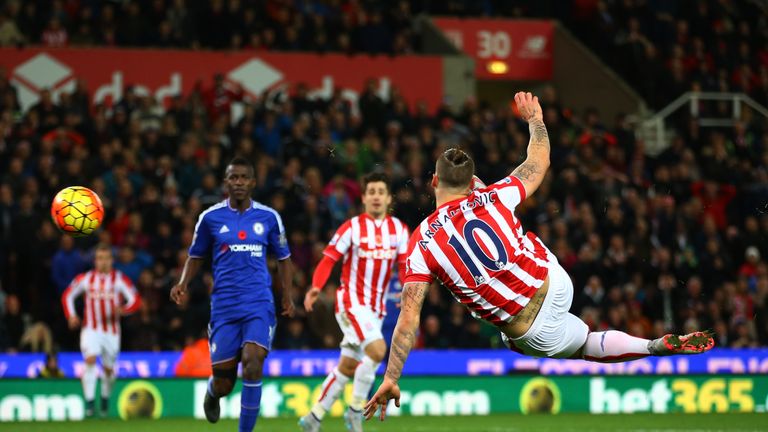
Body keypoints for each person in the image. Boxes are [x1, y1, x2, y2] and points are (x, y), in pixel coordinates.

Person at [364, 92, 715, 421]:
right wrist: (536, 120)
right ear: (472, 182)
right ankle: (653, 343)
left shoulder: (422, 242)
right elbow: (539, 159)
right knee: (519, 235)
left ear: (432, 182)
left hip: (531, 328)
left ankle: (651, 347)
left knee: (578, 346)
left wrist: (392, 376)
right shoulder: (495, 196)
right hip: (556, 282)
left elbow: (408, 321)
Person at [170, 156, 295, 432]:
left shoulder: (269, 217)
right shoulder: (210, 218)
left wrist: (287, 294)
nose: (238, 182)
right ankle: (213, 391)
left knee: (252, 363)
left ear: (252, 182)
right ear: (226, 182)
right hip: (224, 307)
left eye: (243, 177)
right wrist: (183, 283)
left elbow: (284, 258)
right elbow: (195, 255)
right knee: (225, 383)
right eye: (233, 177)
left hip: (258, 304)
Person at [299, 173, 409, 432]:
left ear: (389, 197)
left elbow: (405, 267)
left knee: (347, 366)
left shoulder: (399, 230)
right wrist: (315, 287)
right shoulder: (352, 227)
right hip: (351, 303)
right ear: (363, 198)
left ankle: (313, 417)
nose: (376, 196)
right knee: (378, 350)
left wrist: (407, 296)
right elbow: (328, 259)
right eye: (371, 191)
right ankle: (355, 410)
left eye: (381, 191)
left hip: (376, 309)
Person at [62, 243, 141, 418]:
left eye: (106, 258)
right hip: (90, 329)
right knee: (89, 360)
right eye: (99, 258)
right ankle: (90, 404)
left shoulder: (119, 279)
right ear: (95, 261)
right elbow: (68, 295)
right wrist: (72, 316)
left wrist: (123, 310)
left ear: (111, 260)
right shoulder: (86, 278)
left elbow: (135, 300)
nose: (103, 262)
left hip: (112, 332)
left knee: (108, 370)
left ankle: (104, 400)